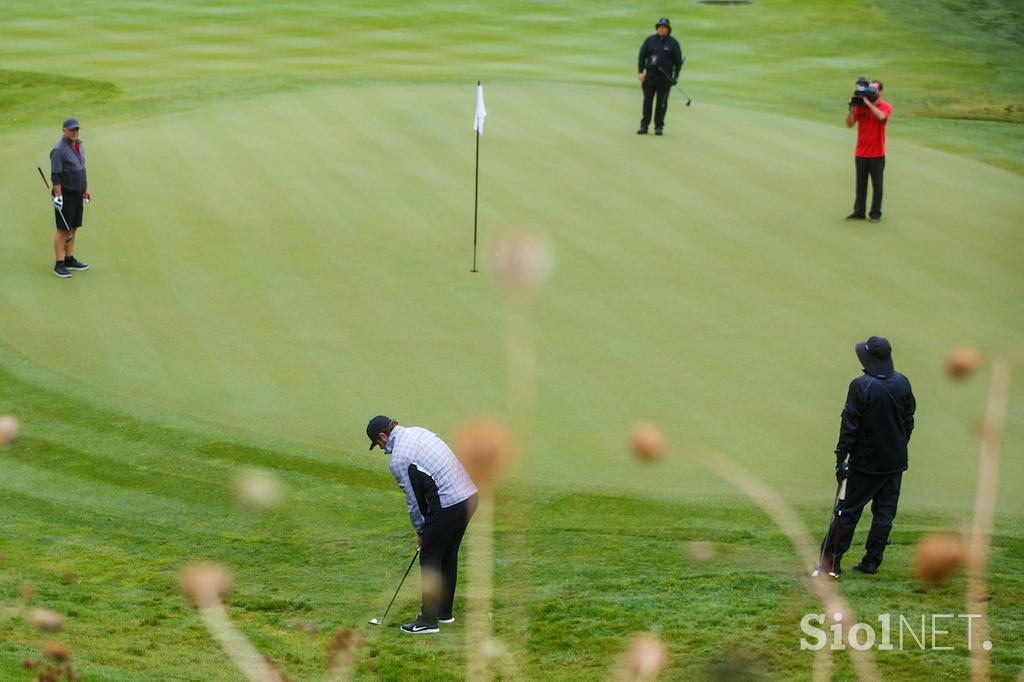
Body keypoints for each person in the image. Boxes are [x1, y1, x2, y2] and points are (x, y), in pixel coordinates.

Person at [366, 415, 478, 634]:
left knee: (430, 556)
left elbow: (414, 501)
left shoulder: (399, 459)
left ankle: (427, 621)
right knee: (447, 553)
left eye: (378, 444)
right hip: (469, 495)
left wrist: (421, 531)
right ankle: (444, 613)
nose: (381, 448)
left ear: (383, 435)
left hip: (449, 500)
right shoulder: (418, 431)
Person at [815, 337, 916, 578]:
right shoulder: (902, 382)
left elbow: (849, 425)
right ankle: (871, 562)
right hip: (895, 462)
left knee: (846, 511)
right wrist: (899, 445)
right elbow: (909, 420)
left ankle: (830, 564)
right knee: (884, 513)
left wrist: (841, 457)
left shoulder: (861, 385)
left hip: (865, 465)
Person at [49, 117, 92, 278]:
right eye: (71, 129)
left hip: (77, 193)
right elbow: (56, 175)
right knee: (63, 230)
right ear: (64, 131)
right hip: (65, 195)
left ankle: (69, 258)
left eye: (76, 129)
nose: (75, 132)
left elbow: (82, 169)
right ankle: (59, 264)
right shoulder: (59, 150)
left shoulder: (79, 145)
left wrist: (85, 188)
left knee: (73, 227)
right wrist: (58, 196)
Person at [845, 80, 891, 223]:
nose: (871, 91)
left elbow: (881, 117)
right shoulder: (860, 107)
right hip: (861, 153)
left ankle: (875, 214)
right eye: (870, 88)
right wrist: (852, 108)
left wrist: (869, 104)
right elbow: (849, 124)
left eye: (874, 89)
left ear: (880, 92)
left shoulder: (885, 106)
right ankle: (859, 212)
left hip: (877, 154)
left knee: (877, 186)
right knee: (860, 185)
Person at [636, 18, 684, 136]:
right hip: (650, 77)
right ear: (657, 28)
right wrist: (641, 72)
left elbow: (678, 62)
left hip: (665, 79)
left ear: (668, 29)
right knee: (647, 102)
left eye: (664, 27)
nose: (662, 29)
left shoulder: (673, 43)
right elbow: (642, 56)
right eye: (660, 27)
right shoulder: (649, 40)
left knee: (661, 104)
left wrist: (675, 76)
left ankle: (658, 126)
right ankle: (644, 126)